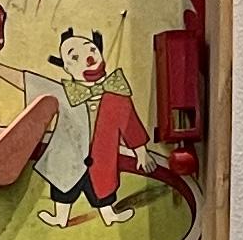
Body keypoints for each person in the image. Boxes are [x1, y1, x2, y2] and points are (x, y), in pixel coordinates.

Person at [32, 28, 154, 228]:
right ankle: (60, 217)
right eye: (75, 57)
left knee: (102, 189)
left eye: (91, 50)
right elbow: (31, 83)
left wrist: (141, 153)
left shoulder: (117, 94)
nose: (88, 58)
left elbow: (130, 125)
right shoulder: (64, 94)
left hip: (102, 156)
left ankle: (109, 215)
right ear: (67, 67)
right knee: (64, 189)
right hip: (70, 157)